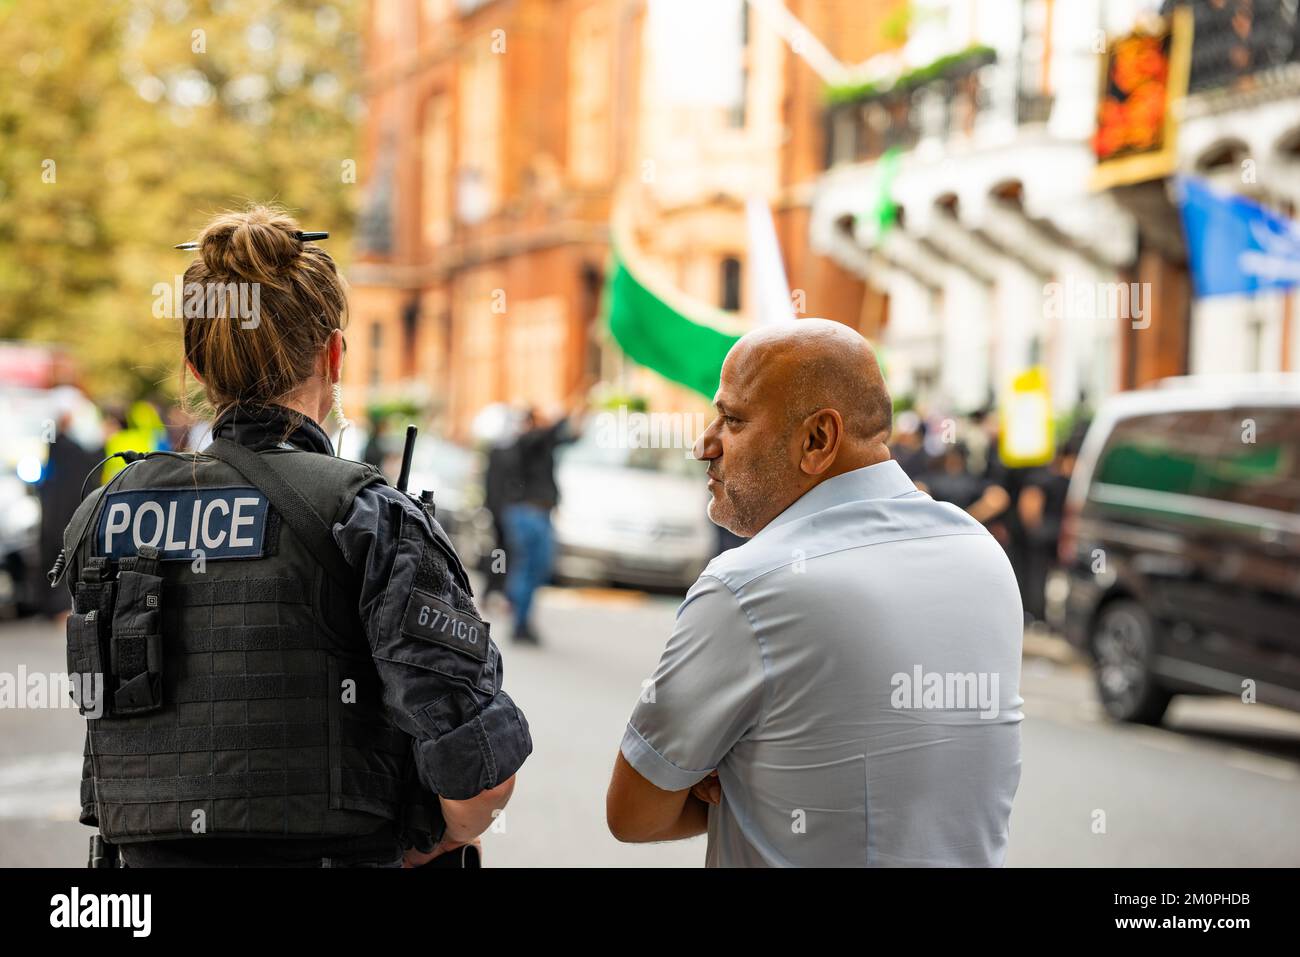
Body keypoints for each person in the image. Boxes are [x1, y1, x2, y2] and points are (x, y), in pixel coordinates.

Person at [56, 205, 530, 867]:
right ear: (334, 355)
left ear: (194, 365)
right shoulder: (368, 518)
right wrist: (441, 835)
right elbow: (478, 771)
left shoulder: (104, 515)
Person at [606, 318, 1023, 867]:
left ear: (818, 439)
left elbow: (634, 814)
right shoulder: (981, 554)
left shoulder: (748, 586)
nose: (704, 444)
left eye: (731, 419)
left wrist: (734, 775)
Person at [501, 393, 584, 644]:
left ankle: (520, 614)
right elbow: (549, 433)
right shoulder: (524, 441)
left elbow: (569, 438)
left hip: (538, 513)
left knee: (538, 567)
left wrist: (579, 415)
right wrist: (561, 416)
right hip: (528, 513)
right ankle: (519, 620)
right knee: (528, 567)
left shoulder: (539, 442)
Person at [37, 402, 102, 618]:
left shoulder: (73, 448)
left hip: (65, 510)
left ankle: (58, 606)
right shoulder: (61, 446)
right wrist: (52, 417)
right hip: (58, 511)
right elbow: (49, 437)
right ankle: (54, 607)